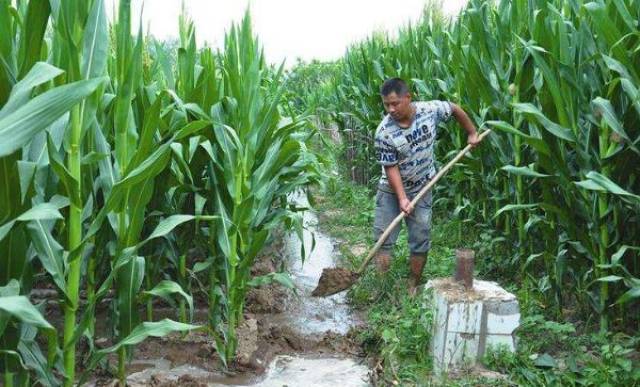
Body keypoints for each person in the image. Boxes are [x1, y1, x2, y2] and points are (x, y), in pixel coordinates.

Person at [373, 77, 480, 295]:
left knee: (420, 237)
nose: (391, 109)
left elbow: (454, 108)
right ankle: (382, 286)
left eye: (395, 103)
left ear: (408, 98)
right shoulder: (384, 132)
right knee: (384, 237)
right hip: (391, 189)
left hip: (422, 185)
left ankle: (412, 284)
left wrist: (471, 132)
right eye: (386, 104)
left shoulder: (429, 110)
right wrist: (402, 198)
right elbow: (390, 167)